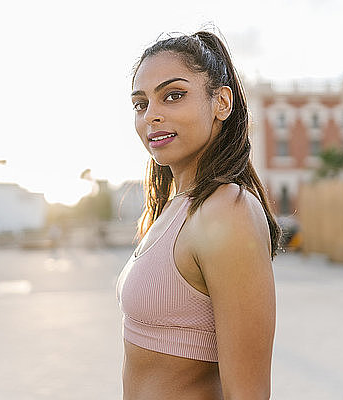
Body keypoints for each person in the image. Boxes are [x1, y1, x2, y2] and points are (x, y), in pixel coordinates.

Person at [115, 28, 283, 400]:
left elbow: (249, 395)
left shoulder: (228, 211)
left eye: (173, 96)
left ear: (221, 102)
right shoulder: (176, 207)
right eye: (141, 104)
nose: (151, 117)